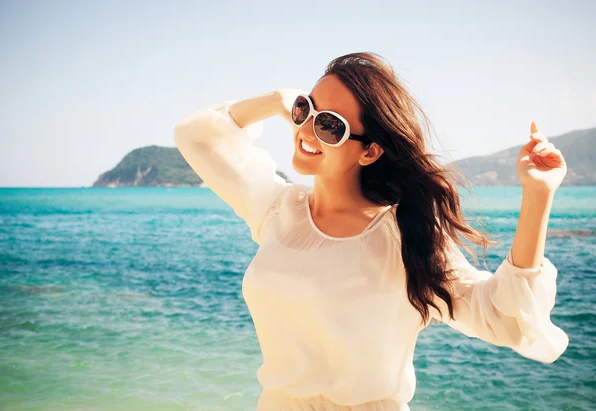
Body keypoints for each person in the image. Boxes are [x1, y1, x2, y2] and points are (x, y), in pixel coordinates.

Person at [174, 52, 569, 411]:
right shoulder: (279, 209)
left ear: (370, 151)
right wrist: (277, 99)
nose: (307, 130)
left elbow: (504, 316)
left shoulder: (405, 236)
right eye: (305, 110)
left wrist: (537, 195)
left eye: (330, 125)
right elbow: (196, 137)